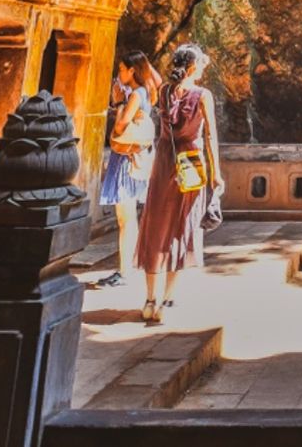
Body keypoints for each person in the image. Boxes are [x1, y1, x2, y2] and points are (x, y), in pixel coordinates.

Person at [135, 43, 223, 324]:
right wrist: (216, 173)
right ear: (194, 67)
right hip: (192, 166)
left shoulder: (163, 91)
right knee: (180, 227)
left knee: (156, 226)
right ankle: (166, 300)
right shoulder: (203, 95)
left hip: (163, 163)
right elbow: (210, 137)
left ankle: (149, 299)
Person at [94, 51, 160, 290]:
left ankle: (124, 271)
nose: (118, 74)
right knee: (128, 217)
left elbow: (121, 126)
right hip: (135, 158)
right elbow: (157, 80)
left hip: (125, 162)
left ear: (132, 71)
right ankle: (127, 268)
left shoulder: (135, 95)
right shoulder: (148, 93)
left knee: (126, 218)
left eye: (121, 69)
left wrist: (119, 101)